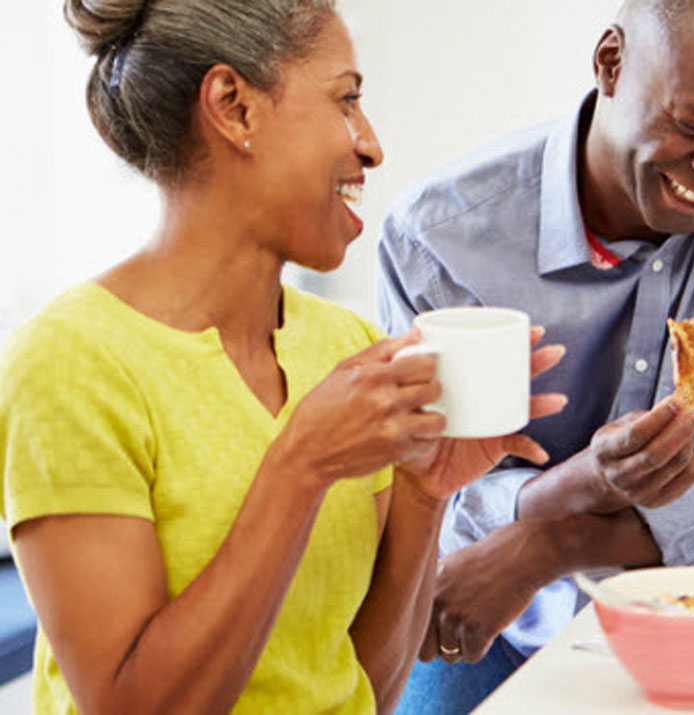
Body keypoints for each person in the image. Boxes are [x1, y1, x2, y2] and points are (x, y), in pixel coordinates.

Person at [0, 1, 564, 711]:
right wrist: (301, 466)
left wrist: (425, 494)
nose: (372, 145)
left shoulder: (349, 349)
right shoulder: (71, 363)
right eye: (345, 100)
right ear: (234, 107)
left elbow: (363, 689)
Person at [377, 0, 694, 712]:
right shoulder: (441, 237)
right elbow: (425, 492)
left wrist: (556, 542)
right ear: (610, 63)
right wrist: (575, 486)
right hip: (487, 614)